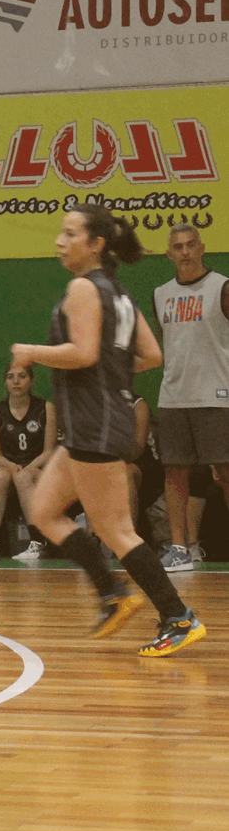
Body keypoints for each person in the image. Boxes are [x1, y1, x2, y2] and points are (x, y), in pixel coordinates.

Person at [10, 204, 205, 658]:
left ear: (96, 244)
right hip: (95, 420)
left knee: (116, 531)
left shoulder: (83, 287)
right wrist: (111, 375)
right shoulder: (117, 293)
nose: (60, 241)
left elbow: (83, 353)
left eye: (70, 233)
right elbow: (152, 355)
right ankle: (112, 593)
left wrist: (31, 352)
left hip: (94, 423)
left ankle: (178, 616)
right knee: (43, 511)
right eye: (61, 233)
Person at [151, 222, 229, 572]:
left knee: (225, 472)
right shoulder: (160, 294)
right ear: (169, 253)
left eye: (190, 244)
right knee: (174, 472)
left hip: (217, 394)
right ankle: (180, 548)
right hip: (174, 396)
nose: (185, 251)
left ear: (201, 248)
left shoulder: (222, 287)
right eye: (178, 246)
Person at [0, 362, 56, 562]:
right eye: (10, 377)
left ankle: (37, 542)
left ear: (31, 381)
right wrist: (12, 467)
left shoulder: (46, 409)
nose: (16, 381)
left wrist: (28, 468)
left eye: (22, 376)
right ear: (5, 383)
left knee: (23, 477)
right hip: (10, 467)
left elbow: (49, 452)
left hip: (38, 469)